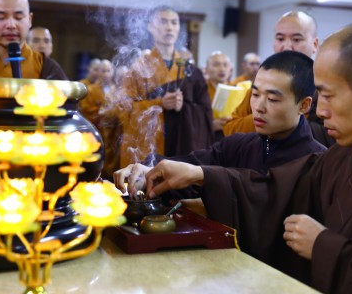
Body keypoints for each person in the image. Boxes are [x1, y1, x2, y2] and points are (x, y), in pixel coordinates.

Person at [140, 22, 352, 294]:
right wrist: (198, 175)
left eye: (328, 95)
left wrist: (326, 248)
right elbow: (270, 190)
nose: (319, 111)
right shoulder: (340, 158)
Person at [115, 51, 326, 191]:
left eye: (272, 99)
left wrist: (203, 175)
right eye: (255, 95)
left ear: (304, 105)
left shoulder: (318, 163)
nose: (259, 107)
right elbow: (191, 164)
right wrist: (148, 171)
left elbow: (265, 197)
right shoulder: (240, 145)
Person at [118, 6, 213, 168]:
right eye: (163, 21)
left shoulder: (190, 70)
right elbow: (124, 110)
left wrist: (185, 107)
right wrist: (159, 103)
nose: (169, 27)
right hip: (152, 146)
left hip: (183, 144)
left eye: (174, 23)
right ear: (150, 27)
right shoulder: (139, 69)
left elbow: (205, 113)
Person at [223, 10, 334, 148]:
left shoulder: (327, 86)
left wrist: (287, 120)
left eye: (297, 39)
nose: (287, 46)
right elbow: (230, 128)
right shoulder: (261, 84)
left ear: (315, 44)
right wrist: (265, 117)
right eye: (280, 39)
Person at [204, 51, 234, 140]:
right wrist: (210, 125)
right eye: (216, 65)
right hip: (207, 138)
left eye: (225, 65)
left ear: (230, 69)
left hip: (232, 137)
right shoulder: (201, 90)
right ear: (206, 69)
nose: (222, 69)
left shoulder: (237, 89)